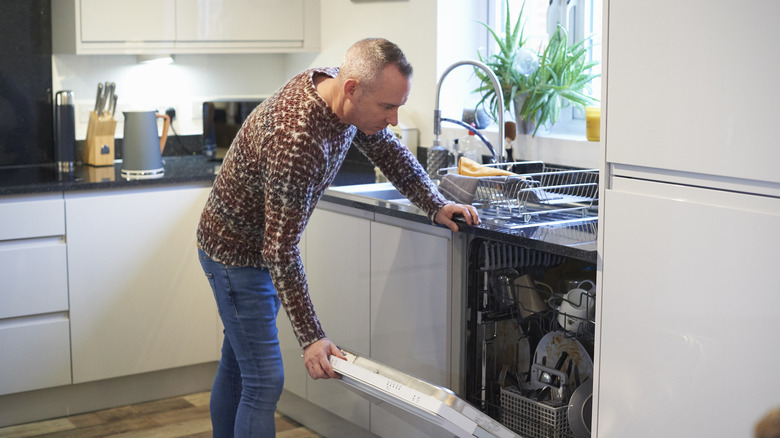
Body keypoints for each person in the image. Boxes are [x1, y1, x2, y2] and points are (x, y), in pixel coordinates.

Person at [196, 37, 481, 437]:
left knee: (240, 366)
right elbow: (279, 250)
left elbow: (388, 150)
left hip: (248, 245)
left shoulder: (342, 93)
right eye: (388, 107)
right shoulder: (299, 139)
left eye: (399, 105)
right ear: (351, 90)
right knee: (264, 380)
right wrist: (312, 338)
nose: (395, 118)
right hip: (236, 254)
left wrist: (434, 203)